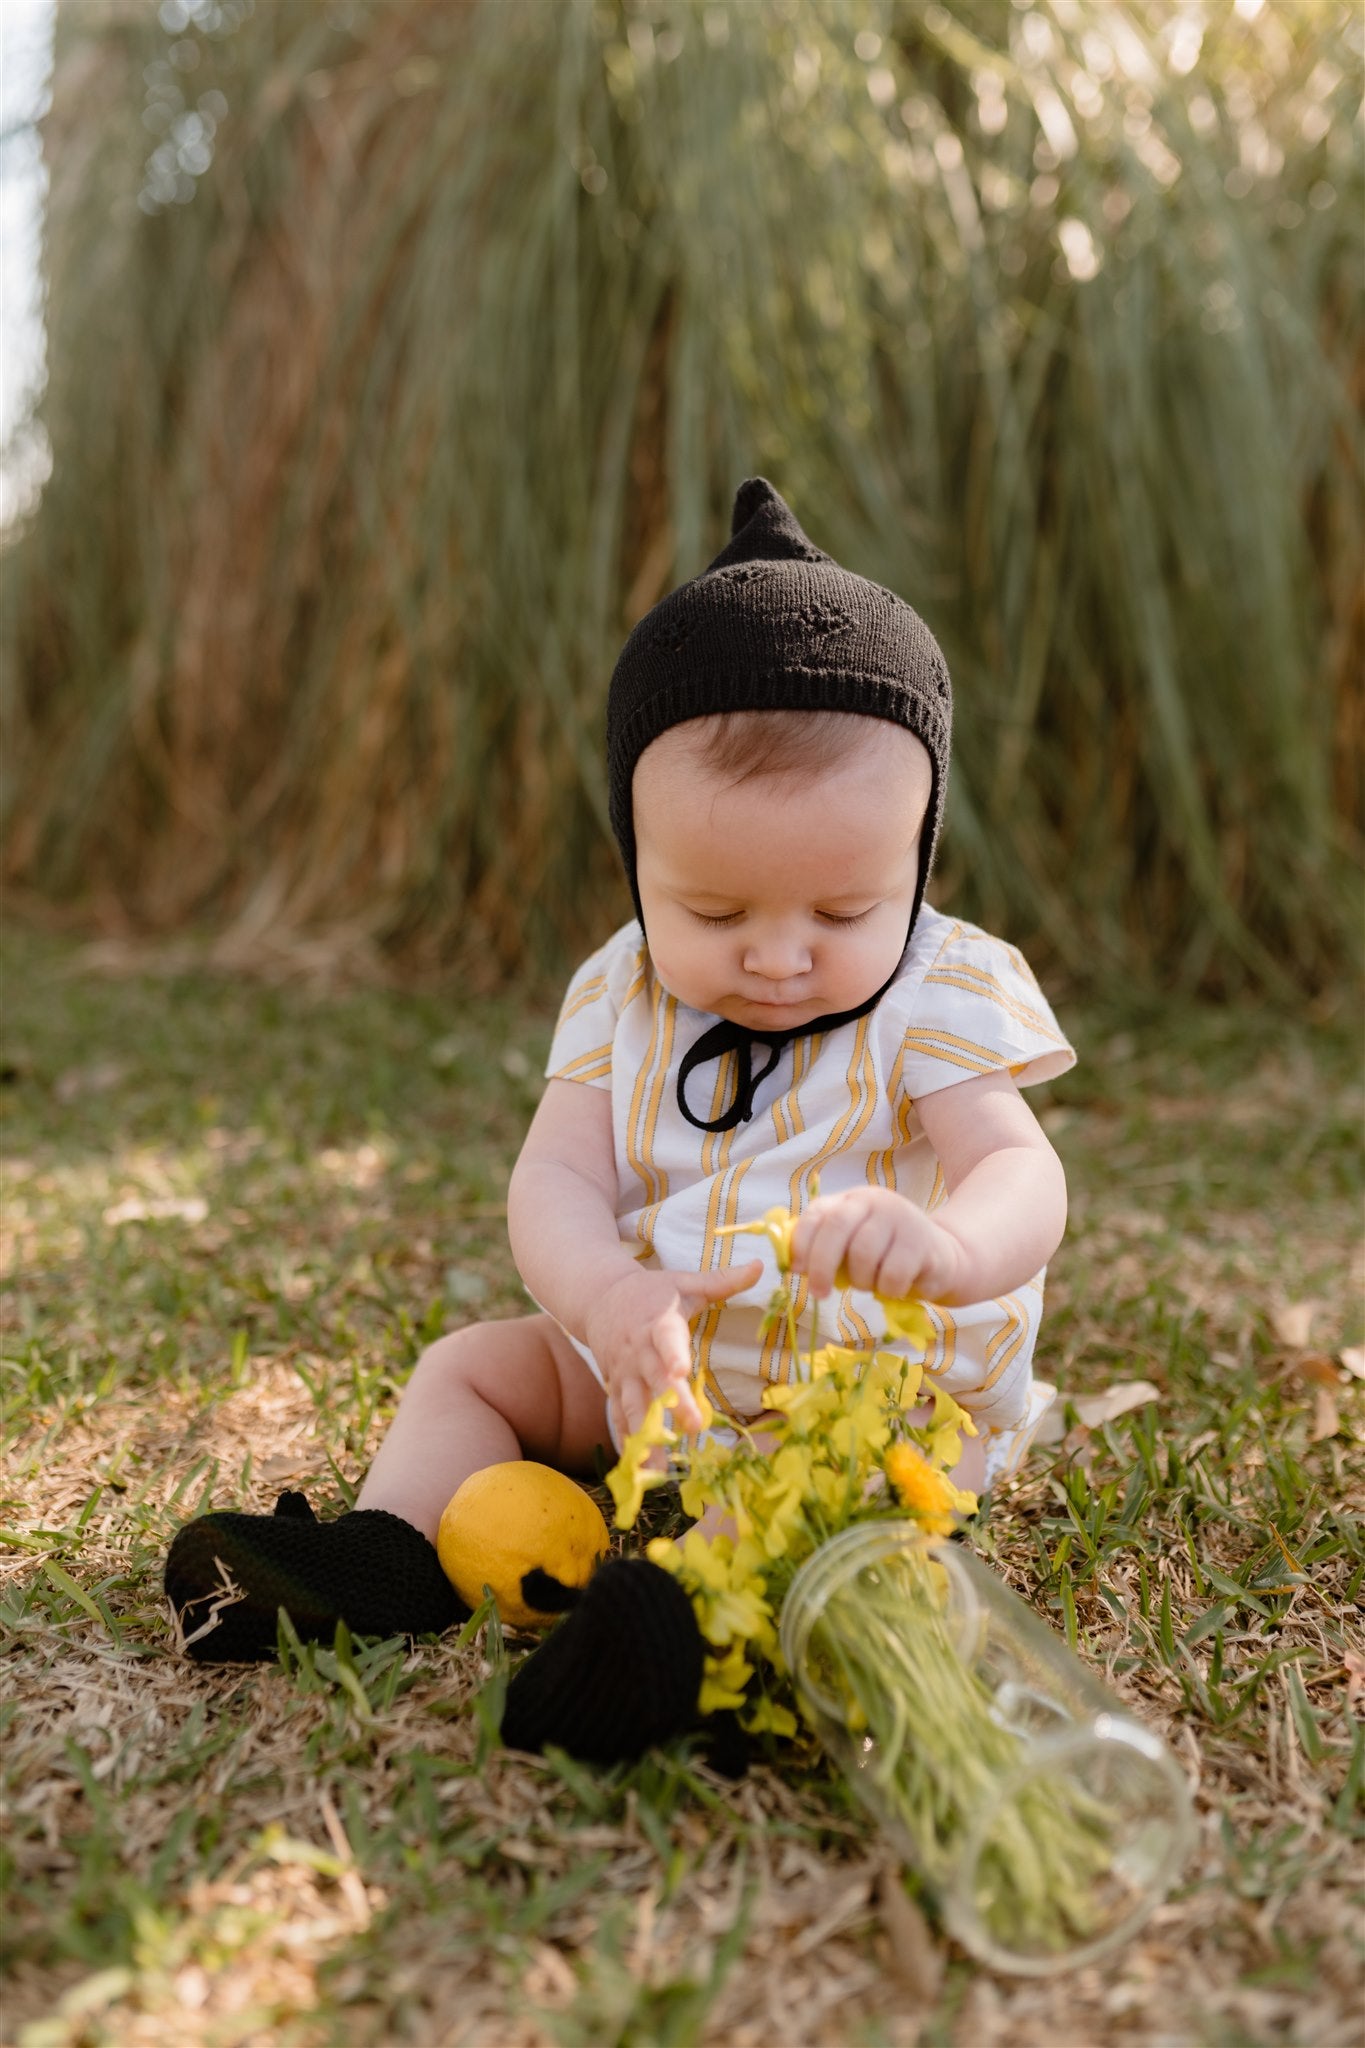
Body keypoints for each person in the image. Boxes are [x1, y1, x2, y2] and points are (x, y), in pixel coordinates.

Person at [165, 480, 1073, 1758]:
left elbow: (1020, 1171)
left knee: (796, 1532)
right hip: (650, 1367)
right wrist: (599, 1298)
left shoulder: (942, 990)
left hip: (868, 1401)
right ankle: (386, 1556)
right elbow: (555, 1180)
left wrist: (957, 1248)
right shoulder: (618, 988)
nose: (776, 956)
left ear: (914, 865)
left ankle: (683, 1649)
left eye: (839, 912)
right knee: (472, 1369)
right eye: (714, 912)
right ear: (634, 860)